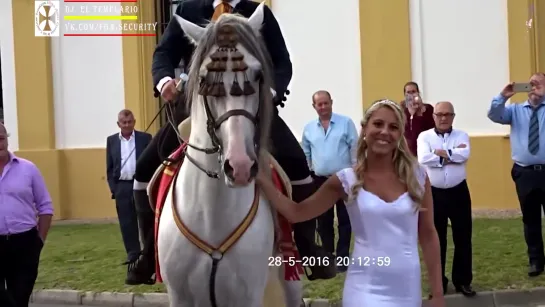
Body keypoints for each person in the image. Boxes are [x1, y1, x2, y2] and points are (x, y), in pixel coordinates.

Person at [128, 0, 332, 284]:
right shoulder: (187, 10)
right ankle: (148, 254)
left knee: (297, 165)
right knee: (143, 170)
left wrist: (270, 92)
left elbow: (282, 60)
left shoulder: (257, 12)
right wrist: (164, 82)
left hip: (251, 107)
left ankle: (309, 250)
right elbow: (164, 53)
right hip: (197, 108)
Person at [256, 99, 445, 307]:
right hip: (364, 290)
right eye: (378, 124)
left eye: (393, 127)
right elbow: (297, 213)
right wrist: (262, 180)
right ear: (364, 129)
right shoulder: (346, 180)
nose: (384, 132)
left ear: (400, 134)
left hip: (407, 289)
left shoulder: (417, 177)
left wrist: (437, 293)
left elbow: (428, 234)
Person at [487, 72, 545, 277]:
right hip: (525, 172)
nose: (534, 87)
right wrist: (503, 96)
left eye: (539, 84)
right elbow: (494, 115)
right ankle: (536, 261)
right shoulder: (515, 110)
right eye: (531, 84)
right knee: (531, 220)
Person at [417, 101, 476, 297]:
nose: (443, 118)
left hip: (459, 191)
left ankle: (463, 281)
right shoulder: (424, 136)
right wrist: (451, 154)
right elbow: (424, 158)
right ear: (433, 116)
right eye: (440, 114)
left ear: (453, 116)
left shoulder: (462, 135)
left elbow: (464, 155)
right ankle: (438, 284)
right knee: (435, 239)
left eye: (448, 114)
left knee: (463, 237)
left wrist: (439, 154)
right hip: (434, 194)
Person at [302, 90, 357, 273]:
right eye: (320, 104)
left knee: (345, 220)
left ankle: (342, 259)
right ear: (314, 106)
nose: (323, 107)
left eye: (326, 103)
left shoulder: (345, 123)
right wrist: (310, 171)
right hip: (320, 180)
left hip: (344, 178)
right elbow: (306, 152)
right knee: (323, 221)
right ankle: (327, 257)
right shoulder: (309, 128)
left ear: (331, 102)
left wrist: (355, 173)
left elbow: (354, 148)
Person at [0, 123, 54, 307]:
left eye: (2, 138)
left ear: (7, 139)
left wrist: (38, 241)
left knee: (20, 298)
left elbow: (45, 207)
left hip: (25, 243)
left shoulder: (28, 169)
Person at [106, 109, 152, 281]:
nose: (127, 125)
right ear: (119, 124)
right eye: (123, 123)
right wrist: (114, 188)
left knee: (145, 220)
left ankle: (148, 254)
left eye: (129, 122)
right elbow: (109, 167)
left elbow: (151, 161)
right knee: (127, 222)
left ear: (134, 122)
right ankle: (133, 254)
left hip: (140, 185)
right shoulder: (111, 141)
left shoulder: (145, 138)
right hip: (122, 186)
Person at [402, 81, 435, 156]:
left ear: (418, 93)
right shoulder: (402, 111)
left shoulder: (428, 109)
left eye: (413, 92)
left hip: (427, 150)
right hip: (409, 152)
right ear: (405, 95)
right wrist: (412, 115)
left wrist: (420, 112)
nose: (411, 95)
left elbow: (432, 129)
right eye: (408, 92)